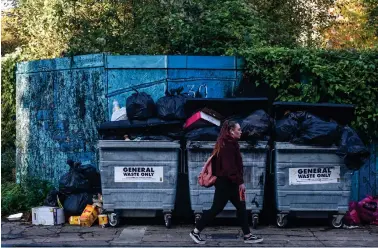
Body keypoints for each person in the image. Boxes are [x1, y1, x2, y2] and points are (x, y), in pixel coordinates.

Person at [189, 120, 264, 245]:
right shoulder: (228, 145)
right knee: (216, 209)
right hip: (226, 183)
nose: (241, 132)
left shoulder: (228, 143)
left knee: (241, 208)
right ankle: (195, 231)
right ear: (231, 131)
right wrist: (240, 182)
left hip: (228, 182)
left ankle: (247, 235)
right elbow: (230, 168)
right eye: (238, 129)